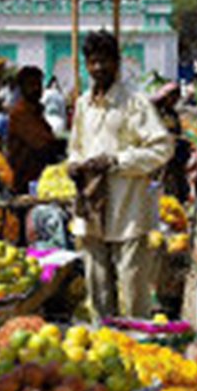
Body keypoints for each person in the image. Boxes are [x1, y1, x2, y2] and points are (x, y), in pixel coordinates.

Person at [68, 31, 171, 321]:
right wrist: (75, 165)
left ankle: (138, 342)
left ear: (117, 63)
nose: (98, 68)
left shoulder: (135, 103)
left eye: (104, 61)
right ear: (86, 65)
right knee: (97, 284)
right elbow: (76, 147)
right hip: (90, 205)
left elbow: (162, 148)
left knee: (132, 286)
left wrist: (117, 161)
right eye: (92, 62)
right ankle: (106, 339)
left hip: (127, 208)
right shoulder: (82, 105)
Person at [7, 66, 67, 195]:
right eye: (31, 85)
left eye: (38, 84)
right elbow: (42, 143)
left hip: (41, 178)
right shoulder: (20, 113)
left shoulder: (37, 111)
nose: (36, 89)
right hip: (25, 183)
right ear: (22, 88)